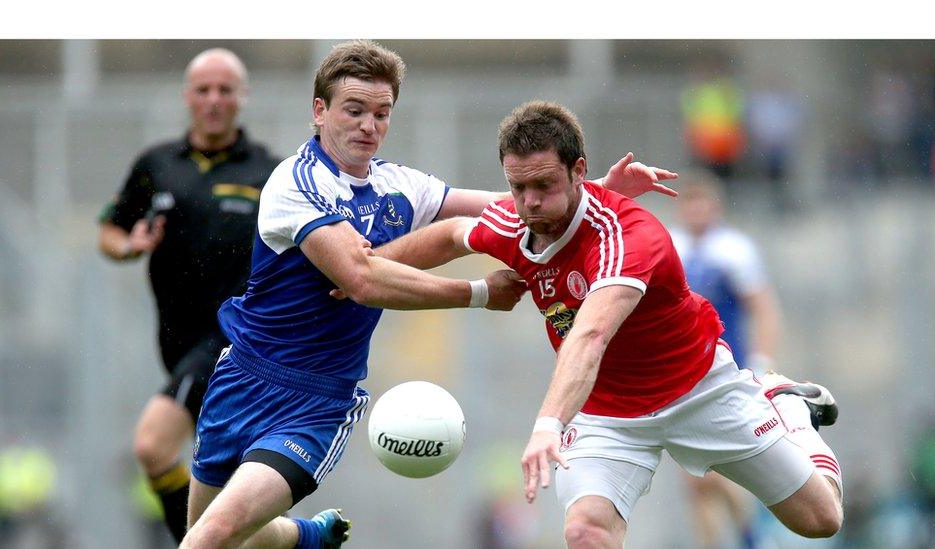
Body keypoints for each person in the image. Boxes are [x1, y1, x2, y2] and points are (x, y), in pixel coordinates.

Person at [180, 40, 677, 549]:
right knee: (213, 534)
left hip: (316, 401)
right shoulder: (295, 182)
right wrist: (479, 292)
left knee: (211, 537)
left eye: (381, 113)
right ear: (319, 111)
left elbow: (510, 205)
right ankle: (304, 538)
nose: (368, 125)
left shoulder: (400, 186)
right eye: (354, 110)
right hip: (241, 378)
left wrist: (594, 189)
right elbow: (362, 280)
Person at [369, 101, 845, 548]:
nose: (529, 203)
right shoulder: (516, 221)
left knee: (821, 520)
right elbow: (452, 234)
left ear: (579, 171)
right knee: (584, 531)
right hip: (605, 412)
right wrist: (365, 267)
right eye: (518, 188)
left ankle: (788, 407)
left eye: (544, 186)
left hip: (697, 389)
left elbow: (591, 335)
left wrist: (548, 426)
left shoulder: (629, 235)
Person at [97, 48, 279, 544]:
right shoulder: (156, 165)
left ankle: (193, 544)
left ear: (242, 97)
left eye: (225, 90)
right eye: (204, 90)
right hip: (175, 344)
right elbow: (109, 231)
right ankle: (294, 537)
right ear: (188, 97)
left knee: (153, 447)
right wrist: (128, 245)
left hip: (232, 340)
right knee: (222, 495)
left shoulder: (270, 174)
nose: (214, 100)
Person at [669, 170, 784, 548]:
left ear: (715, 208)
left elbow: (763, 308)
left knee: (719, 473)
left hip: (725, 371)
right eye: (691, 203)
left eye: (703, 203)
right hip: (681, 375)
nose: (697, 212)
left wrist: (761, 361)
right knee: (696, 480)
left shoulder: (733, 250)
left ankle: (751, 538)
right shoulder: (673, 247)